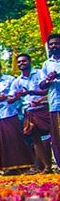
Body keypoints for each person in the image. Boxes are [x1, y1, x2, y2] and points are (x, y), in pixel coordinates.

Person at [0, 59, 34, 174]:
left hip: (9, 113)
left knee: (15, 140)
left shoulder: (10, 80)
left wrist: (5, 97)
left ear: (0, 67)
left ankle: (23, 166)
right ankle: (6, 168)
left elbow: (17, 96)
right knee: (0, 143)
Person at [14, 53, 50, 173]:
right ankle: (46, 167)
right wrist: (14, 96)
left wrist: (38, 98)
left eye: (24, 61)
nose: (21, 63)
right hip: (29, 111)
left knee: (50, 137)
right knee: (35, 139)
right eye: (19, 62)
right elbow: (12, 97)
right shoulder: (17, 81)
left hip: (43, 108)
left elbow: (47, 90)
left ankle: (52, 164)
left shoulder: (40, 73)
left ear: (29, 61)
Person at [38, 33, 60, 170]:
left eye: (56, 43)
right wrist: (48, 80)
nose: (54, 46)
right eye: (51, 44)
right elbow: (41, 85)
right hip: (55, 104)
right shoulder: (47, 64)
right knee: (57, 137)